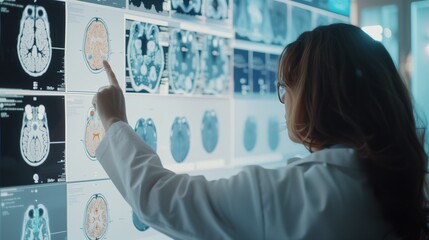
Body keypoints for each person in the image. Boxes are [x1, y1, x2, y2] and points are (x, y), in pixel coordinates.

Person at [92, 23, 428, 239]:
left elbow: (160, 199)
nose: (283, 102)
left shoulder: (300, 196)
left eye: (286, 88)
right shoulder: (387, 181)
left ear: (317, 98)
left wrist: (115, 122)